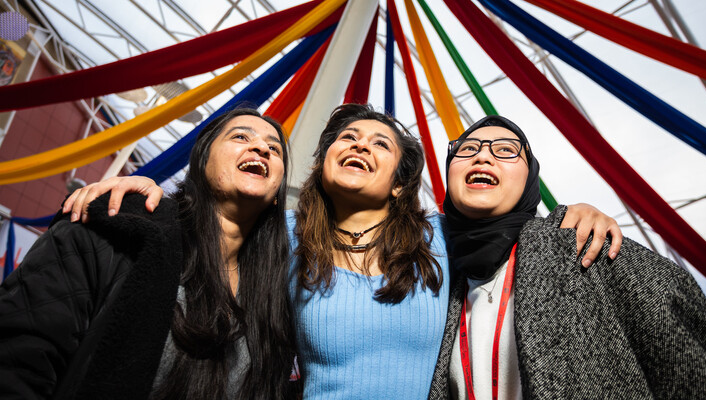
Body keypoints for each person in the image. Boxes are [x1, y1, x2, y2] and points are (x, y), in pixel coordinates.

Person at [59, 104, 622, 399]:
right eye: (345, 139)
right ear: (321, 169)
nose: (358, 145)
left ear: (401, 184)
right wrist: (140, 193)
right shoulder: (279, 236)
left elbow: (506, 227)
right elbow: (209, 218)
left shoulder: (442, 241)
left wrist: (576, 213)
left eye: (380, 144)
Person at [0, 108, 296, 400]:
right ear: (201, 162)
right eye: (241, 136)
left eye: (274, 148)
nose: (261, 148)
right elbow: (19, 356)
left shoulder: (276, 296)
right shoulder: (116, 230)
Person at [428, 115, 706, 399]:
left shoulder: (586, 250)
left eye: (506, 150)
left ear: (530, 179)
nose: (483, 157)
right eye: (467, 149)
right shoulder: (432, 282)